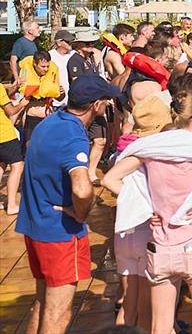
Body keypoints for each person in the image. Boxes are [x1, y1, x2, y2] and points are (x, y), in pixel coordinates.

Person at [102, 90, 192, 334]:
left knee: (159, 326)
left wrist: (144, 207)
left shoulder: (151, 147)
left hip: (161, 245)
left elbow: (110, 179)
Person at [15, 74, 119, 334]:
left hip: (35, 225)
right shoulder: (74, 137)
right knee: (59, 312)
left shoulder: (50, 122)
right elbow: (82, 189)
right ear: (95, 105)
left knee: (43, 302)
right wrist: (82, 213)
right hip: (60, 233)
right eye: (106, 101)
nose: (108, 105)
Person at [110, 96, 171, 330]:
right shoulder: (151, 153)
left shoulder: (124, 149)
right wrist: (146, 208)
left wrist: (129, 202)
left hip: (124, 234)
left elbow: (113, 181)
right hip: (146, 233)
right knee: (147, 309)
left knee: (128, 304)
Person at [67, 30, 108, 184]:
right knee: (81, 141)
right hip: (83, 107)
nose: (92, 45)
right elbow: (79, 85)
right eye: (88, 43)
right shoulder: (75, 61)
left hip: (96, 105)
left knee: (101, 140)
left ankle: (91, 172)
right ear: (78, 44)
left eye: (92, 43)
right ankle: (80, 172)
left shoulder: (91, 58)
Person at [19, 50, 65, 145]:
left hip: (48, 115)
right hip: (32, 115)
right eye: (43, 66)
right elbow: (20, 92)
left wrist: (62, 93)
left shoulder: (52, 73)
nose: (46, 69)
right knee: (30, 145)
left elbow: (59, 98)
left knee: (48, 144)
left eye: (48, 66)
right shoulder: (25, 73)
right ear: (35, 64)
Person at [0, 69, 30, 215]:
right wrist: (22, 103)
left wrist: (15, 85)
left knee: (1, 165)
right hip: (4, 134)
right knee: (17, 166)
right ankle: (11, 205)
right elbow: (11, 111)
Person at [48, 30, 76, 108]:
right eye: (68, 41)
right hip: (55, 101)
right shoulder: (50, 56)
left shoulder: (74, 55)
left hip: (72, 101)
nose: (70, 43)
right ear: (59, 43)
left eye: (71, 41)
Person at [10, 20, 41, 85]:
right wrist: (17, 78)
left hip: (31, 79)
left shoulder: (32, 42)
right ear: (30, 31)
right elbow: (12, 61)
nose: (39, 29)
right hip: (23, 81)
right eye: (37, 28)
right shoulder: (20, 42)